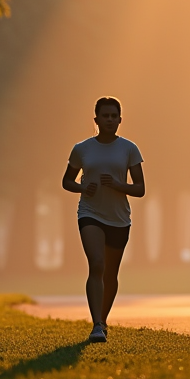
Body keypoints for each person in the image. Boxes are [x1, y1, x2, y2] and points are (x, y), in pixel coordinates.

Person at [61, 97, 145, 343]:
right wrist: (82, 188)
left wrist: (119, 185)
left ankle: (103, 319)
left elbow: (140, 189)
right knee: (96, 264)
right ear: (96, 119)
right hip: (90, 213)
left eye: (114, 116)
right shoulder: (82, 148)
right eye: (105, 116)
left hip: (119, 218)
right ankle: (96, 324)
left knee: (110, 273)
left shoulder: (129, 149)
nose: (109, 120)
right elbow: (67, 181)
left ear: (120, 119)